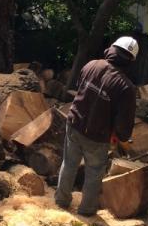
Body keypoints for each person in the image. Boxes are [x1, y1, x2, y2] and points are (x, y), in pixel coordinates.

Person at [54, 36, 138, 216]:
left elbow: (80, 88)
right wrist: (122, 138)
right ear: (131, 60)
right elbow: (124, 124)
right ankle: (86, 210)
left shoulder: (91, 64)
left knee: (69, 164)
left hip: (74, 123)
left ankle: (61, 201)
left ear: (112, 49)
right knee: (94, 172)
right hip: (97, 137)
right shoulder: (126, 88)